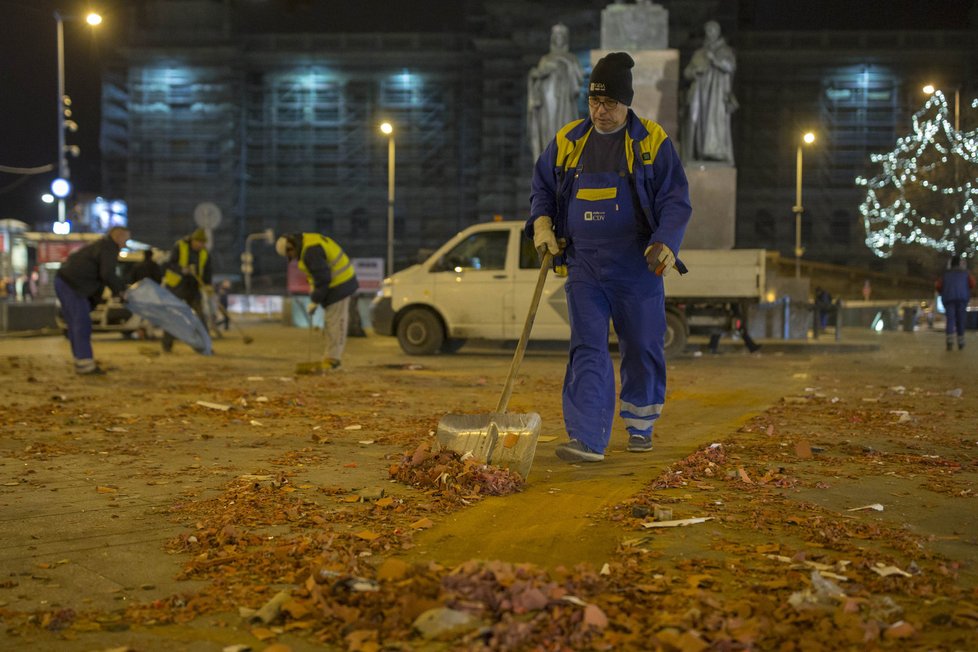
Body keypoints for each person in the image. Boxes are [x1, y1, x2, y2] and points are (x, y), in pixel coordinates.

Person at [527, 51, 692, 462]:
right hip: (584, 263)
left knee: (641, 344)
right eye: (594, 102)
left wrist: (667, 242)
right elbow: (543, 188)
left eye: (610, 104)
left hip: (637, 265)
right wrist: (542, 223)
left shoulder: (652, 142)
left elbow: (675, 199)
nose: (601, 112)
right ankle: (587, 437)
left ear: (627, 103)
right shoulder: (567, 142)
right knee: (587, 347)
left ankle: (641, 422)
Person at [275, 232, 359, 371]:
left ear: (291, 248)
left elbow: (323, 278)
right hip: (337, 285)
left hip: (340, 285)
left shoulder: (310, 251)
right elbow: (315, 277)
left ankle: (333, 360)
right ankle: (330, 357)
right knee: (330, 323)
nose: (292, 258)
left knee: (336, 323)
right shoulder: (307, 245)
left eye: (290, 255)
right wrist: (314, 295)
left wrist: (315, 300)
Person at [54, 226, 131, 374]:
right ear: (118, 236)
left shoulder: (101, 245)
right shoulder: (109, 248)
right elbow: (107, 274)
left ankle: (81, 361)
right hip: (72, 284)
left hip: (65, 281)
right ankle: (85, 363)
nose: (126, 244)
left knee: (76, 323)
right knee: (82, 322)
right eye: (125, 239)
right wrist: (121, 291)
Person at [527, 23, 585, 162]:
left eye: (562, 36)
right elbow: (537, 77)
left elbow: (580, 77)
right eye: (556, 36)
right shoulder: (545, 59)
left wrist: (566, 64)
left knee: (566, 127)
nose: (559, 39)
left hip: (566, 100)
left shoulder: (571, 58)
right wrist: (538, 74)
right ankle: (550, 159)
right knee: (549, 128)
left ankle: (564, 159)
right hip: (548, 98)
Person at [682, 20, 737, 163]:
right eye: (708, 31)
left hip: (717, 95)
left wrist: (715, 60)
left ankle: (716, 152)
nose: (710, 33)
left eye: (713, 30)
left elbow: (730, 67)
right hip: (700, 94)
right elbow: (687, 72)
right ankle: (699, 153)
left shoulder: (726, 51)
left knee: (716, 123)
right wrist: (694, 72)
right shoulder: (700, 53)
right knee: (699, 123)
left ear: (718, 33)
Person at [161, 228, 212, 352]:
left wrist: (208, 285)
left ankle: (204, 347)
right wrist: (182, 269)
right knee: (173, 316)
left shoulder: (204, 253)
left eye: (202, 243)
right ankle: (167, 346)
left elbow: (208, 270)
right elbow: (169, 264)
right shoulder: (180, 246)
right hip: (177, 287)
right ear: (193, 240)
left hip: (194, 288)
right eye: (198, 242)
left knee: (200, 317)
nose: (200, 245)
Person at [936, 255, 975, 351]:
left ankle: (949, 341)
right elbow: (972, 284)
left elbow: (938, 286)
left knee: (950, 320)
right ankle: (961, 341)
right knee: (961, 320)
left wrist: (944, 292)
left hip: (949, 299)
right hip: (962, 299)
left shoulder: (946, 274)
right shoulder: (965, 273)